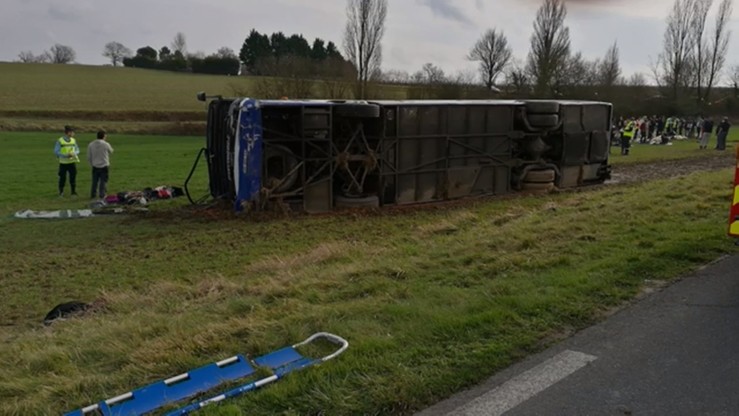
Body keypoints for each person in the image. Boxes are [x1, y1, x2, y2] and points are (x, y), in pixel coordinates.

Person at [87, 130, 114, 199]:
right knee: (103, 181)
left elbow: (89, 156)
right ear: (104, 136)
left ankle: (93, 194)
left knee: (94, 181)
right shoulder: (105, 144)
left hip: (95, 165)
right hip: (104, 165)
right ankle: (102, 194)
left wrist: (91, 163)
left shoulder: (91, 144)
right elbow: (111, 151)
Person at [54, 125, 80, 196]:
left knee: (73, 178)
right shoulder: (60, 141)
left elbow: (77, 149)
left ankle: (73, 192)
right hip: (63, 162)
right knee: (62, 178)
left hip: (72, 162)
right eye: (72, 132)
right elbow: (56, 151)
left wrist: (74, 153)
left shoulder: (73, 140)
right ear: (68, 132)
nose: (73, 134)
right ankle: (61, 192)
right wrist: (65, 155)